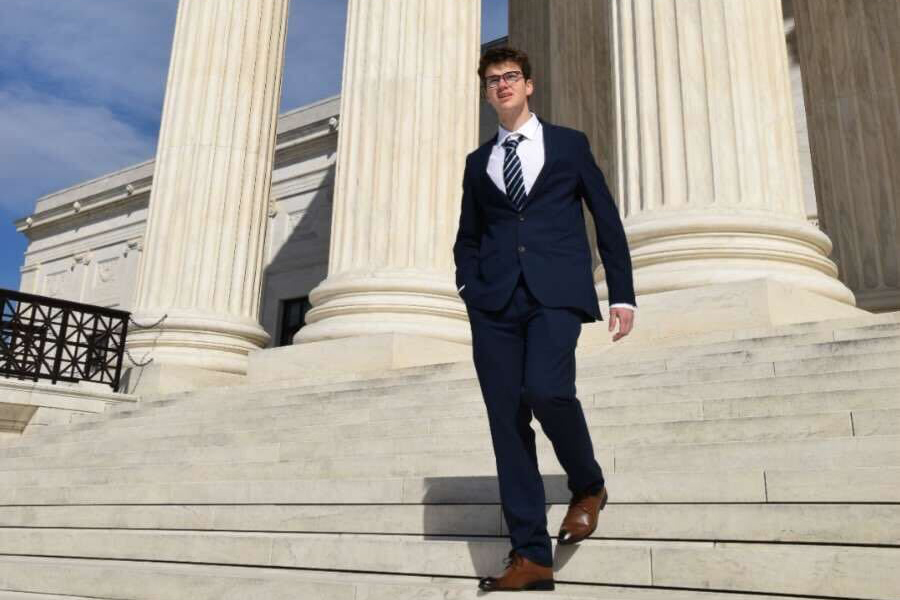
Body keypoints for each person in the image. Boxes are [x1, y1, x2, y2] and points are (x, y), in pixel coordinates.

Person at [452, 46, 637, 592]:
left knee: (548, 390)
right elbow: (468, 236)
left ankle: (588, 484)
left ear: (529, 85)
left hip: (556, 294)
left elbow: (605, 218)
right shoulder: (477, 163)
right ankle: (530, 555)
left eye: (510, 77)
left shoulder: (568, 145)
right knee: (507, 426)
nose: (502, 85)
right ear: (486, 92)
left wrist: (622, 293)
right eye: (492, 80)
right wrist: (469, 286)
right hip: (494, 304)